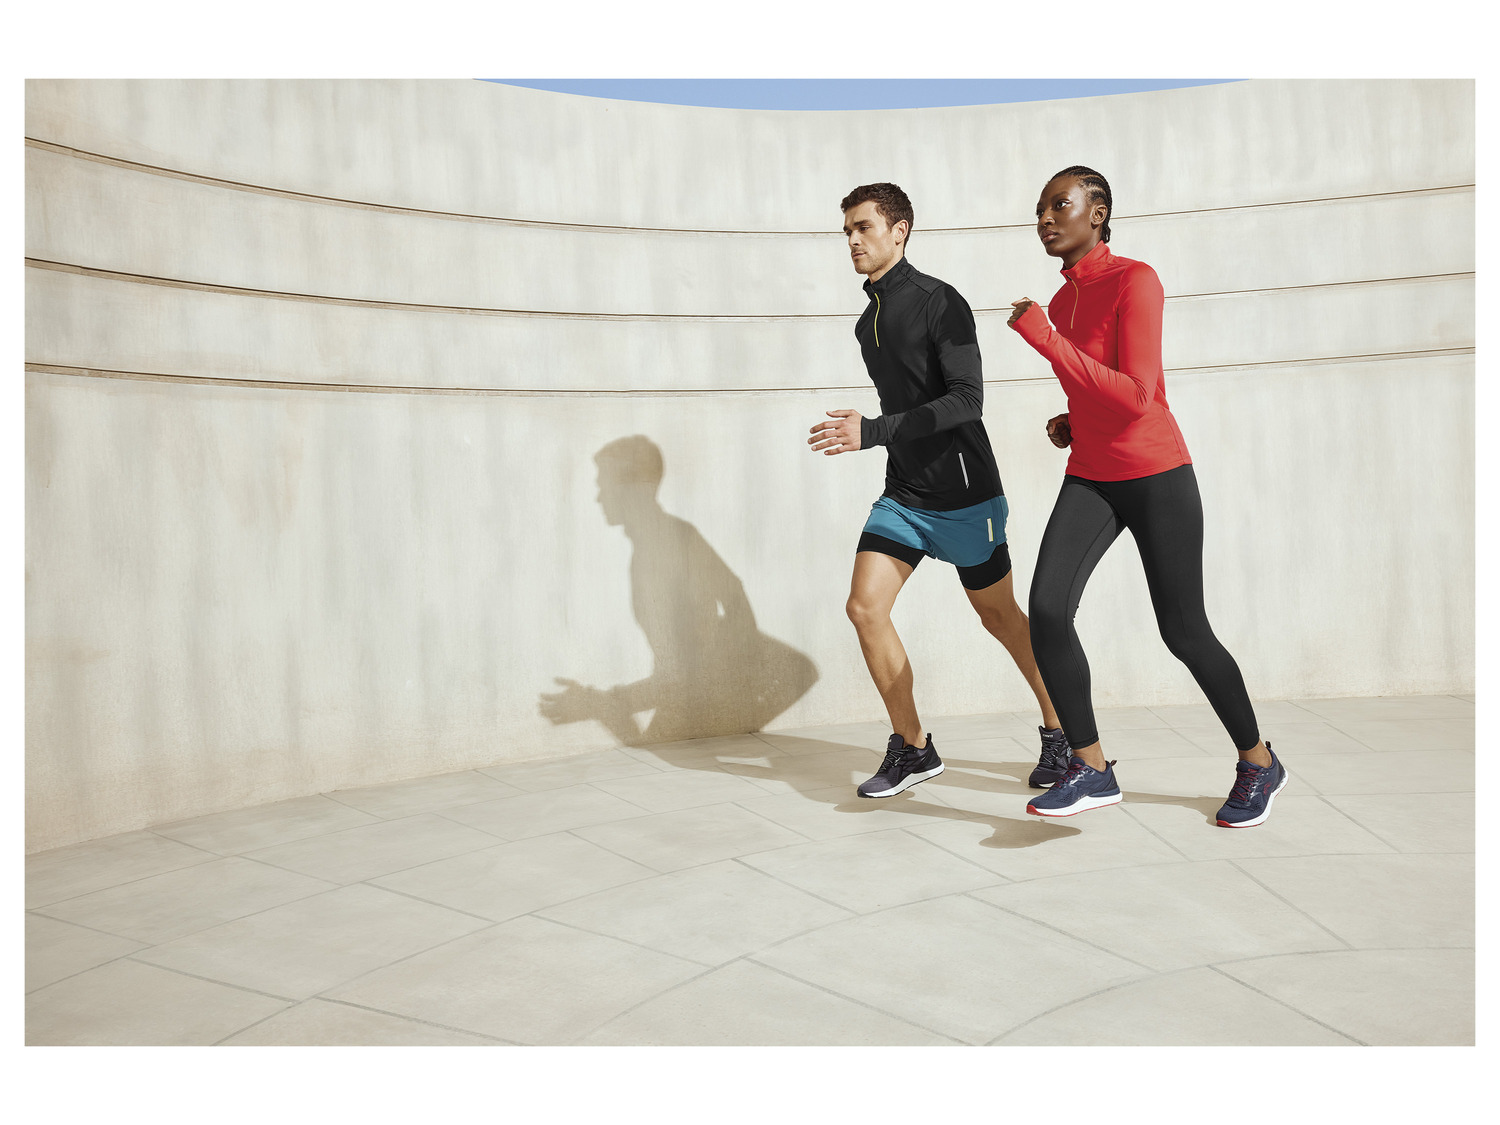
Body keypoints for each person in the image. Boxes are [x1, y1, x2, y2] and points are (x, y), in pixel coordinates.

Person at [1008, 165, 1287, 828]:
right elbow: (1097, 385)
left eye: (1059, 205)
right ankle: (1091, 767)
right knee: (1046, 609)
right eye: (1040, 209)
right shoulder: (1064, 300)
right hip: (1091, 473)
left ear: (1097, 212)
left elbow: (1137, 395)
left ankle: (1258, 761)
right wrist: (1073, 419)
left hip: (1157, 473)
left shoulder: (1136, 280)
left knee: (1184, 631)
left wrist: (1045, 339)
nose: (1045, 219)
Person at [810, 182, 1070, 799]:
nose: (853, 240)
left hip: (965, 496)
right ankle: (913, 746)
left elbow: (967, 400)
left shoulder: (940, 301)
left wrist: (873, 431)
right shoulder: (867, 322)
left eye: (864, 227)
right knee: (864, 608)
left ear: (899, 230)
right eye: (847, 231)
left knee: (999, 617)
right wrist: (881, 437)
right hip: (904, 495)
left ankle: (1062, 728)